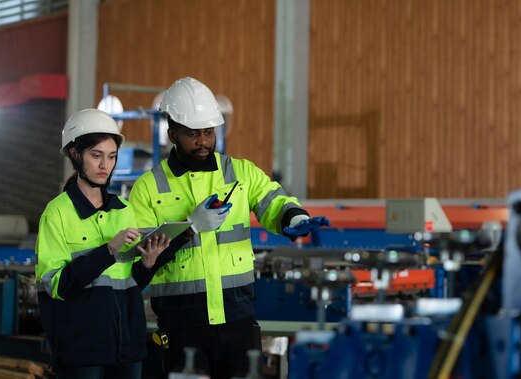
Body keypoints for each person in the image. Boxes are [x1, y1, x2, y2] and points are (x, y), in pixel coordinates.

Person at [128, 77, 329, 379]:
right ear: (172, 133)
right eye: (192, 134)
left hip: (239, 323)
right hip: (183, 328)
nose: (203, 141)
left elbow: (274, 201)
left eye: (208, 132)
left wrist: (295, 219)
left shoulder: (240, 172)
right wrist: (190, 228)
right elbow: (141, 262)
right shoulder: (148, 187)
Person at [35, 109, 171, 379]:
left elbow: (127, 284)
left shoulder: (124, 209)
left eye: (111, 157)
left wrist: (147, 265)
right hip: (82, 350)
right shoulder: (57, 213)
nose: (104, 165)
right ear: (75, 154)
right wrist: (107, 251)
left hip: (128, 346)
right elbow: (55, 286)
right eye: (96, 155)